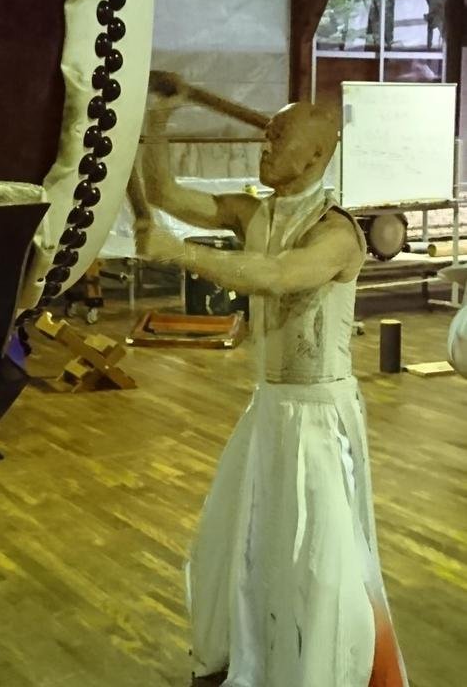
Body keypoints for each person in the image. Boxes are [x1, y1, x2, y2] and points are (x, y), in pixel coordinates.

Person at [138, 89, 408, 687]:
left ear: (315, 156)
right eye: (267, 136)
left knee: (320, 560)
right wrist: (155, 117)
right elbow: (163, 193)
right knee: (240, 542)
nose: (265, 147)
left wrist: (177, 251)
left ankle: (322, 672)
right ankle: (261, 656)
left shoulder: (338, 233)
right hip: (269, 406)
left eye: (278, 139)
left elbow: (277, 277)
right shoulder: (252, 213)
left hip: (319, 414)